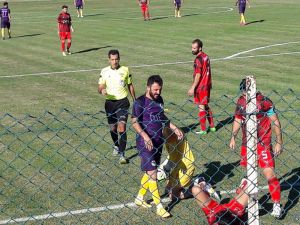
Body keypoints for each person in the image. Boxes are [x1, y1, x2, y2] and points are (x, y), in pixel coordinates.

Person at [229, 79, 283, 218]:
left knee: (269, 174)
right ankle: (242, 206)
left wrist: (279, 141)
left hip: (263, 144)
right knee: (249, 177)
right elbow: (237, 119)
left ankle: (276, 205)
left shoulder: (264, 102)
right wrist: (233, 137)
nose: (243, 94)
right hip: (247, 144)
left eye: (244, 91)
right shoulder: (241, 102)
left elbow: (275, 121)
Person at [132, 75, 183, 218]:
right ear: (148, 87)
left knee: (149, 171)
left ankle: (139, 198)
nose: (158, 93)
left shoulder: (159, 100)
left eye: (160, 90)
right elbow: (134, 122)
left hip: (158, 141)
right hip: (145, 143)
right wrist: (145, 136)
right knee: (153, 172)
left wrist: (173, 127)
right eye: (155, 90)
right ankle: (160, 207)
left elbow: (162, 118)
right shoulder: (139, 102)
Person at [98, 50, 136, 164]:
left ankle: (122, 154)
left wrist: (135, 100)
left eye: (116, 59)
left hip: (123, 102)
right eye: (112, 59)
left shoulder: (125, 70)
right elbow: (99, 87)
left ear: (119, 59)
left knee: (122, 128)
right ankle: (116, 144)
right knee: (113, 128)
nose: (114, 62)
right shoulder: (104, 71)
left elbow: (130, 85)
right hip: (109, 103)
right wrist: (102, 90)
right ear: (108, 59)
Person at [189, 39, 216, 135]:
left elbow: (198, 74)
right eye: (192, 48)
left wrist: (193, 87)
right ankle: (212, 127)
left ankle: (203, 130)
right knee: (206, 105)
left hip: (201, 86)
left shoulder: (198, 59)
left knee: (201, 106)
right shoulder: (206, 56)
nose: (192, 50)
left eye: (194, 48)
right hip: (208, 85)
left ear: (200, 48)